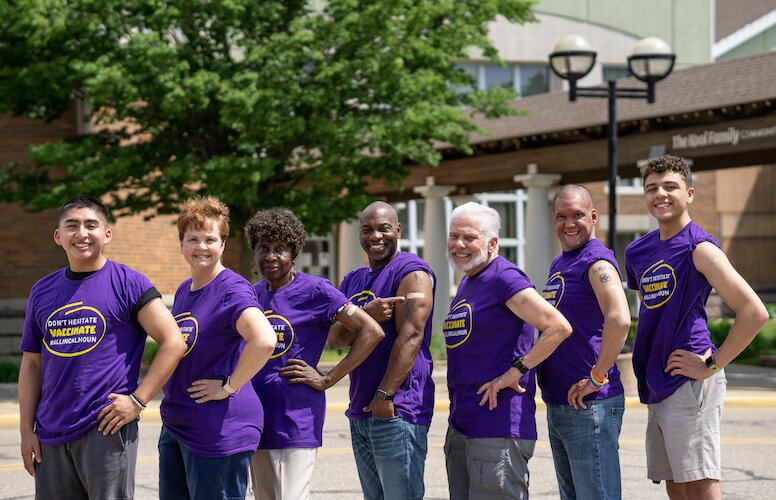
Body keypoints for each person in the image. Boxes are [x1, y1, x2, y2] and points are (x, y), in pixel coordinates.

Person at [18, 195, 186, 499]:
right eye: (72, 226)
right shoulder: (42, 291)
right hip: (50, 432)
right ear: (58, 236)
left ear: (106, 234)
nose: (82, 233)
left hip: (106, 428)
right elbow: (32, 364)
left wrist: (137, 400)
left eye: (91, 225)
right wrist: (25, 430)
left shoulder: (129, 284)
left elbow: (173, 342)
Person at [625, 155, 768, 499]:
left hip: (691, 379)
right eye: (652, 188)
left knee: (700, 480)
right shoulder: (637, 251)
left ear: (689, 194)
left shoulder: (700, 248)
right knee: (674, 479)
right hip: (658, 377)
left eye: (670, 187)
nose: (660, 194)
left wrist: (711, 364)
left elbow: (754, 312)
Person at [244, 207, 384, 500]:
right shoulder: (251, 294)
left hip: (295, 417)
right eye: (263, 248)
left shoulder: (316, 290)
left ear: (293, 254)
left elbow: (371, 331)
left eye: (280, 249)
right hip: (256, 419)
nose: (271, 256)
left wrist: (328, 379)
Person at [442, 201, 572, 500]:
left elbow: (558, 327)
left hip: (497, 425)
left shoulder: (505, 277)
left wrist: (518, 370)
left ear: (492, 243)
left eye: (469, 237)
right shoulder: (469, 280)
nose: (459, 244)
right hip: (463, 423)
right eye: (454, 236)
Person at [158, 196, 276, 500]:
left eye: (210, 239)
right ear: (181, 243)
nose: (201, 247)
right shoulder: (186, 289)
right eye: (192, 239)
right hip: (178, 423)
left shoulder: (231, 288)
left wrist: (229, 386)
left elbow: (264, 340)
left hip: (218, 429)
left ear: (222, 244)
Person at [328, 201, 435, 500]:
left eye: (384, 229)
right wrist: (367, 314)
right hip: (360, 409)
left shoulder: (412, 273)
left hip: (396, 410)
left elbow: (411, 336)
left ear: (398, 230)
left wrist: (384, 396)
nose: (375, 236)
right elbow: (335, 338)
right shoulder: (352, 280)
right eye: (368, 230)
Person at [538, 185, 631, 500]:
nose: (569, 223)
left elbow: (620, 318)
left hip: (590, 403)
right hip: (561, 400)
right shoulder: (561, 263)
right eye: (561, 216)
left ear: (593, 216)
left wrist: (597, 375)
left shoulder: (597, 262)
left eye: (577, 215)